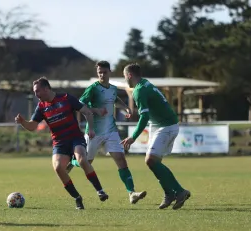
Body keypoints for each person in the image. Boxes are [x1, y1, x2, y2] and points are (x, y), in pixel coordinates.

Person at [15, 77, 109, 210]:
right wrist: (23, 122)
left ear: (46, 89)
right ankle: (77, 198)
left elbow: (87, 112)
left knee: (82, 159)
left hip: (75, 137)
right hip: (59, 142)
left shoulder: (66, 98)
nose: (36, 95)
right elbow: (32, 126)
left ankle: (100, 191)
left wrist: (92, 128)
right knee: (58, 168)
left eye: (38, 91)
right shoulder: (41, 107)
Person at [68, 60, 147, 204]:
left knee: (121, 159)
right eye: (100, 72)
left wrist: (126, 108)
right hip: (94, 132)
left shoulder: (113, 88)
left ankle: (131, 193)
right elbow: (79, 105)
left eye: (104, 72)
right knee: (86, 162)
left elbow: (114, 99)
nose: (102, 75)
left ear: (110, 72)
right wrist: (96, 110)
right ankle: (72, 161)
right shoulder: (93, 88)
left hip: (111, 131)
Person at [120, 63, 191, 210]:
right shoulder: (145, 83)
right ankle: (169, 194)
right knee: (154, 162)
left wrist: (133, 137)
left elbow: (144, 117)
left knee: (151, 160)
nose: (124, 79)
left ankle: (179, 191)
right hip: (159, 124)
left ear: (129, 75)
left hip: (166, 126)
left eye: (124, 76)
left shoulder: (139, 91)